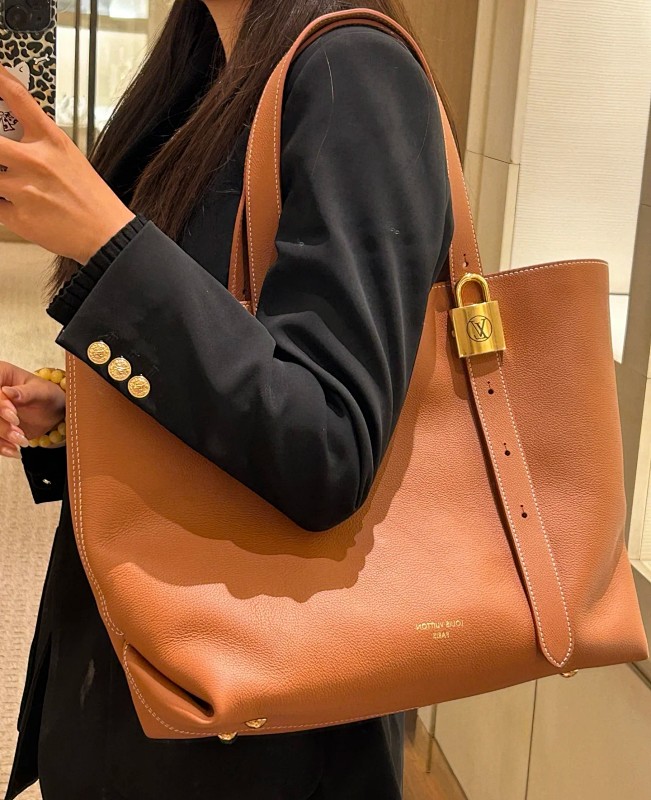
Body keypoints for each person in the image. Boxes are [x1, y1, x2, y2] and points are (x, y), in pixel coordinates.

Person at [0, 0, 455, 797]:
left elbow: (328, 444)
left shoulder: (352, 70)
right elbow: (226, 358)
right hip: (143, 680)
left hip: (253, 728)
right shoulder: (203, 71)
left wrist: (107, 243)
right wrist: (74, 412)